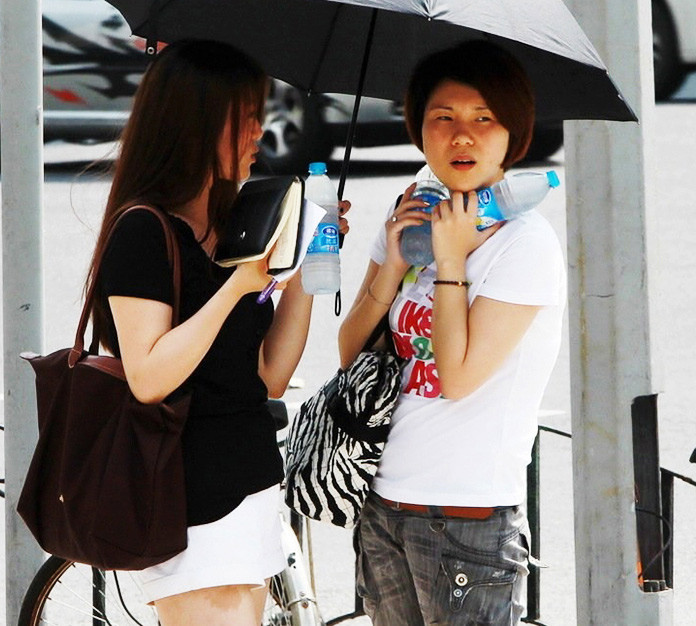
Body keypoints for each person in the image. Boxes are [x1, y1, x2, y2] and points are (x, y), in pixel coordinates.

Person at [85, 40, 348, 625]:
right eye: (246, 114)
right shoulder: (144, 232)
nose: (261, 129)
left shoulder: (234, 224)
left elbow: (267, 376)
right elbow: (149, 377)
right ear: (196, 123)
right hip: (187, 498)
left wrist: (303, 266)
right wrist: (236, 287)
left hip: (249, 483)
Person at [338, 41, 566, 625]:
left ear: (513, 133)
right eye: (444, 118)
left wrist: (452, 262)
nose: (462, 136)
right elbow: (351, 353)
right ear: (419, 129)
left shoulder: (525, 244)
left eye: (483, 119)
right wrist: (392, 261)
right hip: (383, 504)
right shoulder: (416, 207)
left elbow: (460, 376)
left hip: (467, 519)